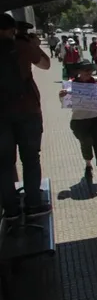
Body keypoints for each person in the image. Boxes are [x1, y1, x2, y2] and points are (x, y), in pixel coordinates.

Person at [0, 13, 52, 223]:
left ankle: (10, 209)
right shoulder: (21, 46)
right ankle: (33, 204)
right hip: (27, 111)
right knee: (30, 159)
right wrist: (34, 45)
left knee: (4, 163)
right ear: (11, 30)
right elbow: (46, 64)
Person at [58, 60, 97, 190]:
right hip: (79, 120)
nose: (88, 72)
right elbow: (64, 99)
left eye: (90, 69)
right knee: (86, 142)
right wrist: (61, 96)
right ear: (78, 71)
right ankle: (88, 164)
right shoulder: (71, 84)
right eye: (85, 70)